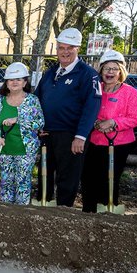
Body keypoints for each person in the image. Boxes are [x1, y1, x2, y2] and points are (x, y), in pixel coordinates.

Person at [33, 28, 102, 206]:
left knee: (67, 177)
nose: (65, 52)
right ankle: (42, 210)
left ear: (77, 48)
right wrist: (36, 126)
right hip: (47, 134)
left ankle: (63, 213)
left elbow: (91, 107)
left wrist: (81, 136)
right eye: (61, 48)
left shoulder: (88, 74)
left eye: (70, 48)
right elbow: (37, 99)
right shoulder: (50, 72)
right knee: (44, 175)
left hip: (71, 135)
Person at [80, 50, 137, 213]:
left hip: (118, 144)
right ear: (101, 70)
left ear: (121, 71)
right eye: (106, 68)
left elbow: (136, 117)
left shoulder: (130, 92)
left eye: (114, 68)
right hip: (95, 141)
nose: (110, 72)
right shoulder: (95, 89)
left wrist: (113, 123)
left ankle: (107, 212)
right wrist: (95, 123)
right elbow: (85, 109)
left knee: (109, 179)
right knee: (88, 178)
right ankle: (88, 211)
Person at [0, 62, 45, 204]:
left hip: (25, 150)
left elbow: (39, 123)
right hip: (5, 148)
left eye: (18, 79)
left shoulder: (32, 100)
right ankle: (6, 215)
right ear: (6, 82)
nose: (14, 82)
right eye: (11, 79)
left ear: (24, 82)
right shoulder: (0, 100)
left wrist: (18, 120)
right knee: (6, 183)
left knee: (22, 183)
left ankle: (21, 215)